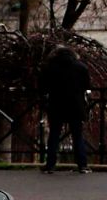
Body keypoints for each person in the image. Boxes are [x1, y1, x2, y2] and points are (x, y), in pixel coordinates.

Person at [39, 45, 92, 174]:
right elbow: (87, 86)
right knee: (77, 136)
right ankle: (82, 165)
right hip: (76, 105)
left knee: (54, 135)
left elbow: (43, 86)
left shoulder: (49, 68)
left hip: (56, 105)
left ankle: (50, 165)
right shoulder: (81, 67)